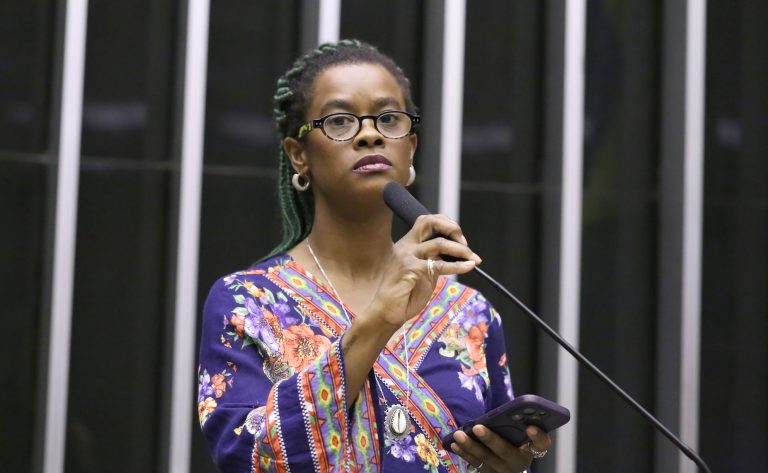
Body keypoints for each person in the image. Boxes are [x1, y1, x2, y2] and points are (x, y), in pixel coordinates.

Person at [197, 39, 551, 473]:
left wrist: (511, 467)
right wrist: (380, 316)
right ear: (298, 155)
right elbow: (246, 459)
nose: (370, 134)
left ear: (411, 147)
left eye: (388, 118)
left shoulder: (470, 314)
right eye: (340, 120)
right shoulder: (245, 303)